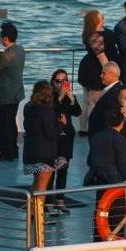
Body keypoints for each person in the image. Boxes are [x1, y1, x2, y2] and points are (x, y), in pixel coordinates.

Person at [22, 81, 67, 212]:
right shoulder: (46, 110)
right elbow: (51, 133)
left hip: (30, 152)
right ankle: (38, 216)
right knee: (41, 187)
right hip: (45, 154)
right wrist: (61, 124)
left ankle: (31, 211)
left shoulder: (28, 107)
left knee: (36, 184)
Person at [77, 9, 118, 135]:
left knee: (87, 100)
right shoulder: (95, 35)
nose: (103, 17)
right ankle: (89, 129)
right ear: (96, 20)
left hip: (90, 68)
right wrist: (112, 73)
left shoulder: (98, 32)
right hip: (95, 71)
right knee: (92, 101)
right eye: (101, 16)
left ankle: (84, 129)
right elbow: (101, 57)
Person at [0, 22, 26, 162]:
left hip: (6, 95)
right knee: (11, 123)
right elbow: (5, 57)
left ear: (5, 38)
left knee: (4, 125)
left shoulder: (7, 55)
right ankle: (13, 150)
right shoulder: (19, 49)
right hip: (17, 93)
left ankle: (5, 153)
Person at [49, 68, 82, 211]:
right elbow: (51, 111)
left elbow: (78, 112)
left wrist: (73, 99)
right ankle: (48, 201)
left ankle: (60, 199)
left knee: (63, 168)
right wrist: (60, 97)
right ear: (53, 82)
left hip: (67, 136)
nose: (61, 84)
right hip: (54, 136)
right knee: (50, 170)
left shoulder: (69, 96)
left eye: (64, 81)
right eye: (58, 81)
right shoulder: (49, 96)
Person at [87, 109, 126, 186]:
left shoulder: (96, 137)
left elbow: (90, 160)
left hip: (98, 178)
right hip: (115, 179)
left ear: (107, 123)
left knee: (101, 197)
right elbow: (123, 164)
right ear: (122, 123)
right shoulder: (120, 139)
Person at [85, 61, 123, 140]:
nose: (101, 76)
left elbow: (110, 118)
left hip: (103, 138)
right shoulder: (112, 90)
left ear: (112, 75)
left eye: (104, 73)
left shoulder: (115, 92)